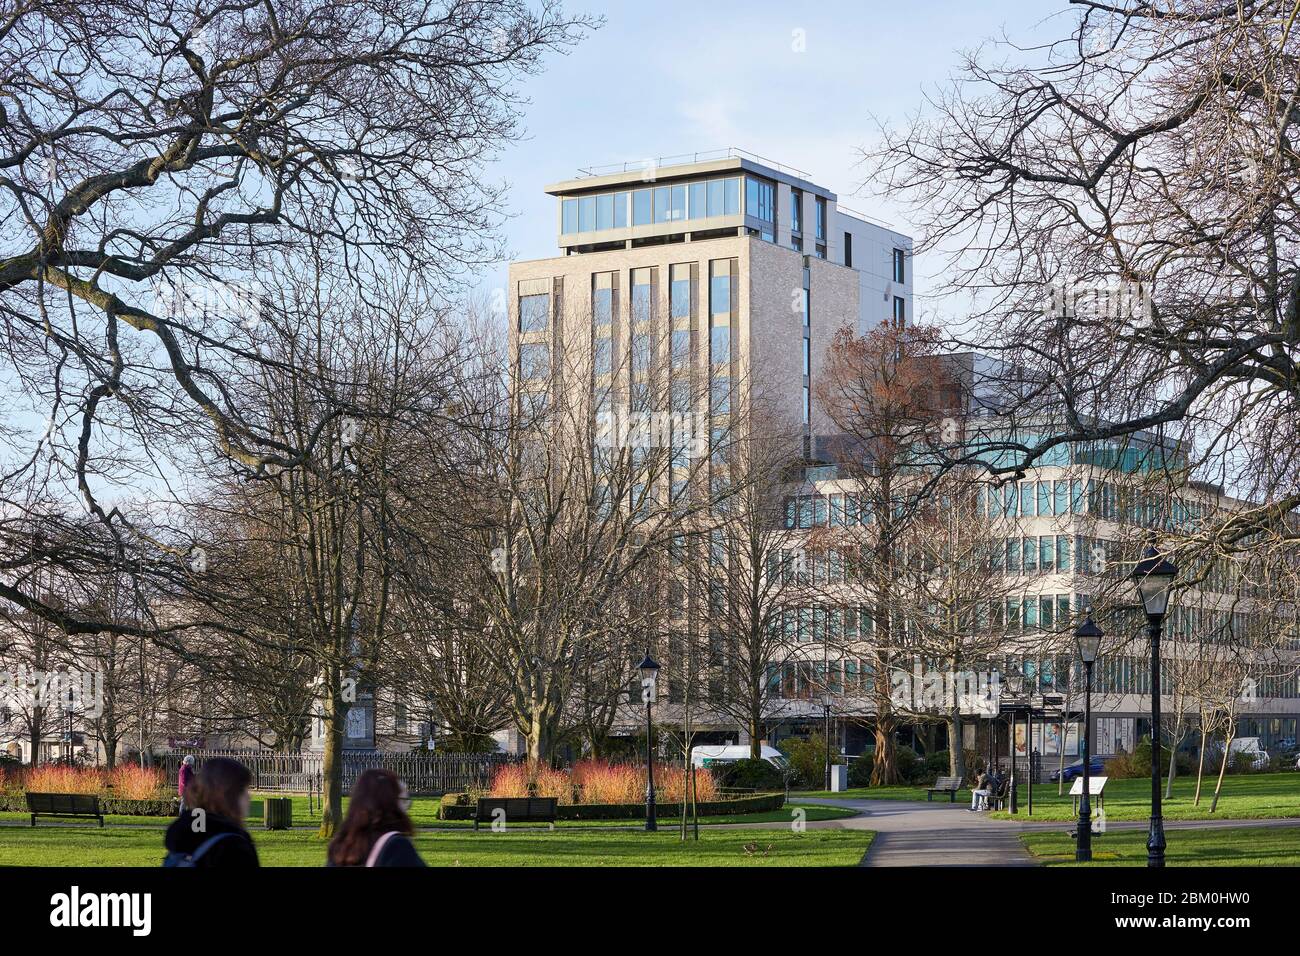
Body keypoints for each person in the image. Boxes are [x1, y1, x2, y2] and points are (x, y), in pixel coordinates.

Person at [164, 756, 259, 867]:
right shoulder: (233, 846)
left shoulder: (182, 840)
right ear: (228, 796)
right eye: (243, 790)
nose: (248, 797)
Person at [327, 769, 426, 868]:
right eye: (403, 800)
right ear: (390, 803)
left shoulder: (341, 846)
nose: (407, 808)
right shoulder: (395, 847)